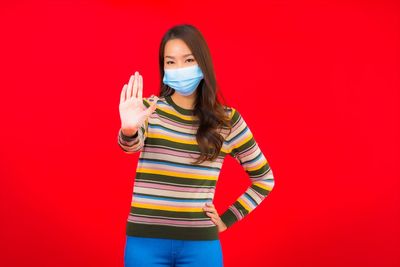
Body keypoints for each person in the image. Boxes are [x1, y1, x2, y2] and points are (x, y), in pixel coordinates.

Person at [118, 24, 276, 267]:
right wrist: (128, 130)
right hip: (144, 242)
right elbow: (131, 144)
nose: (179, 68)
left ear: (202, 63)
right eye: (170, 62)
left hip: (200, 246)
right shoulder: (149, 109)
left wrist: (228, 219)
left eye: (188, 59)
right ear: (163, 68)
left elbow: (265, 179)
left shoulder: (227, 121)